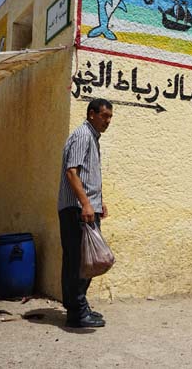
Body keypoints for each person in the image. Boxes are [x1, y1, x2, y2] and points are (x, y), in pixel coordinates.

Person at [57, 98, 113, 328]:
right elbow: (72, 173)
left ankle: (81, 307)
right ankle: (76, 313)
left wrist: (98, 203)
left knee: (85, 261)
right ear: (91, 114)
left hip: (86, 209)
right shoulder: (82, 135)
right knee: (77, 262)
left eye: (110, 117)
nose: (107, 121)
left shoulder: (91, 136)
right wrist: (86, 204)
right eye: (104, 116)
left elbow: (86, 176)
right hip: (77, 211)